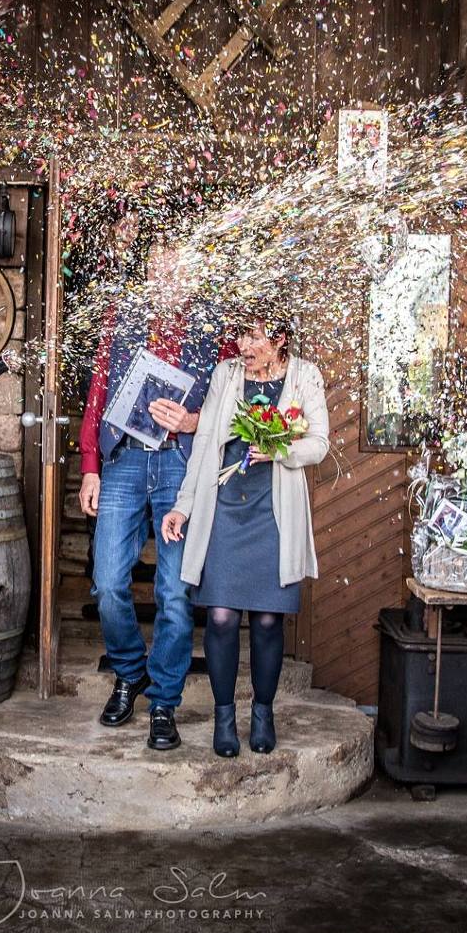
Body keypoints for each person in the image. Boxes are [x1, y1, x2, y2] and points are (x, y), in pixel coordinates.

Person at [78, 228, 224, 751]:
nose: (170, 274)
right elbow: (98, 393)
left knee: (174, 593)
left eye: (180, 265)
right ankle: (129, 671)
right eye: (162, 264)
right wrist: (90, 464)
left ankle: (164, 700)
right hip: (122, 464)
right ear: (149, 269)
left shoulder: (216, 329)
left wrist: (193, 421)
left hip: (180, 468)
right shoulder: (120, 320)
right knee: (108, 583)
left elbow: (233, 407)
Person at [161, 317, 328, 756]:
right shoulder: (226, 374)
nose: (244, 346)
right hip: (225, 509)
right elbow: (204, 447)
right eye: (241, 336)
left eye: (255, 337)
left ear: (280, 340)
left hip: (272, 512)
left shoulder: (305, 375)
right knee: (220, 617)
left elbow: (320, 443)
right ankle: (224, 717)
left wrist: (281, 449)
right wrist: (183, 504)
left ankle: (263, 713)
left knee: (269, 619)